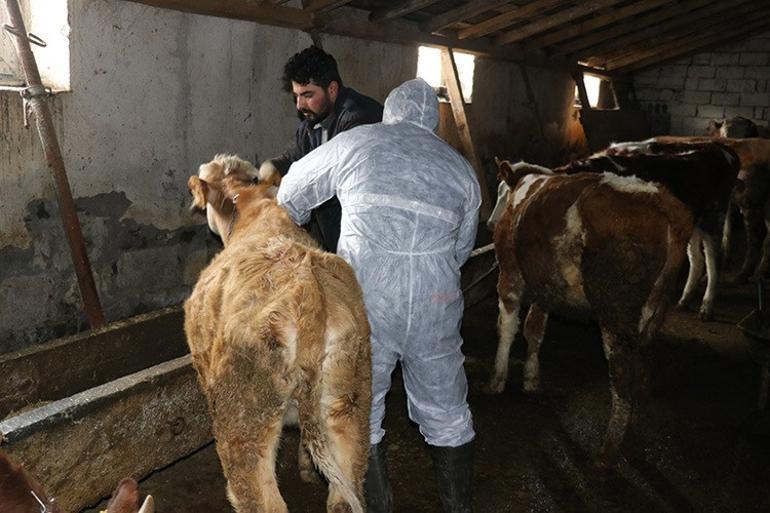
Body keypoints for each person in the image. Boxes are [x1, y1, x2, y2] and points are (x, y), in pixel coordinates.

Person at [277, 78, 480, 513]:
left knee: (359, 411)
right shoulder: (459, 168)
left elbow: (293, 190)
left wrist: (295, 218)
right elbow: (463, 247)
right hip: (435, 301)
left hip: (368, 298)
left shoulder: (359, 143)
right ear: (432, 120)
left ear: (391, 111)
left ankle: (378, 505)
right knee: (447, 412)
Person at [261, 45, 383, 252]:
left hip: (370, 237)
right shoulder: (312, 123)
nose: (299, 105)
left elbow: (341, 178)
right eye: (296, 96)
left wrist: (287, 191)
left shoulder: (360, 121)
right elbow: (296, 157)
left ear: (332, 89)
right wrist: (274, 165)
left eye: (307, 95)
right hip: (338, 237)